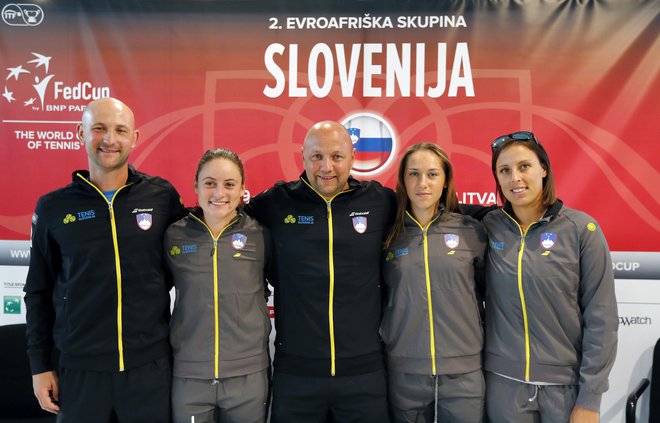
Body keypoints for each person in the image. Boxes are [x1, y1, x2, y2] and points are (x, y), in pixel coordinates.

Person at [24, 97, 187, 422]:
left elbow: (190, 257)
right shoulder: (53, 208)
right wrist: (39, 365)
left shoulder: (161, 196)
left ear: (134, 138)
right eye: (99, 129)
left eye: (119, 130)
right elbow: (38, 291)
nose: (109, 139)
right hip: (79, 370)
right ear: (80, 133)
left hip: (149, 369)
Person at [244, 120, 396, 423]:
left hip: (364, 372)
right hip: (296, 373)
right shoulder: (277, 201)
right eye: (317, 157)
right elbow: (225, 222)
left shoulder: (380, 201)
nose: (326, 167)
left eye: (337, 157)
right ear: (303, 157)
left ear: (353, 157)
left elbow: (431, 214)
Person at [483, 131, 618, 423]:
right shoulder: (489, 226)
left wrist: (590, 399)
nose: (515, 178)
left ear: (543, 169)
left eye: (524, 166)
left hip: (564, 392)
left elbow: (602, 318)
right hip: (503, 388)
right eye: (504, 171)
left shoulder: (581, 230)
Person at [381, 142, 487, 422]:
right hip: (405, 372)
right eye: (414, 174)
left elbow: (491, 293)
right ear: (403, 180)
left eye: (432, 174)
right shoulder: (388, 235)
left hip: (463, 374)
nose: (422, 183)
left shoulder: (471, 231)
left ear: (445, 181)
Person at [164, 148, 271, 422]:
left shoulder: (260, 235)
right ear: (196, 187)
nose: (219, 193)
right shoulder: (173, 235)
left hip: (248, 376)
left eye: (229, 184)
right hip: (189, 376)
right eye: (210, 183)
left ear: (242, 190)